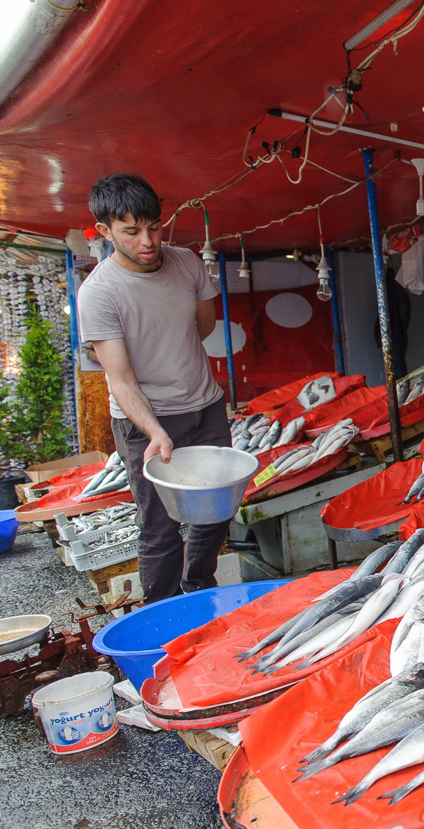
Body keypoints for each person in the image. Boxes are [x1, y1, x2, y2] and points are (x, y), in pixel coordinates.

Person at [77, 174, 232, 603]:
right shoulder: (98, 294)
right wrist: (154, 430)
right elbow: (120, 379)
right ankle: (161, 615)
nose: (147, 241)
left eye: (154, 227)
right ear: (105, 232)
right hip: (145, 417)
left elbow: (203, 326)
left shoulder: (187, 262)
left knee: (217, 508)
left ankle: (198, 586)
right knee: (161, 525)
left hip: (207, 406)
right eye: (131, 231)